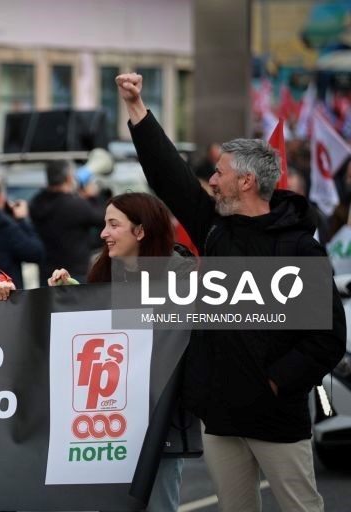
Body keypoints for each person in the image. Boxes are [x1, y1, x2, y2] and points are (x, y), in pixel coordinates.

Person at [116, 72, 345, 512]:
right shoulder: (217, 229)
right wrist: (137, 109)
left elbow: (327, 339)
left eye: (219, 173)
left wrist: (275, 382)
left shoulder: (299, 248)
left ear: (246, 182)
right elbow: (172, 179)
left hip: (276, 419)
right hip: (220, 418)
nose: (211, 181)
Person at [48, 192, 197, 512]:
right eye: (104, 224)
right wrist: (74, 299)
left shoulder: (181, 272)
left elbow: (168, 323)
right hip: (111, 413)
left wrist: (101, 307)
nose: (103, 233)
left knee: (159, 503)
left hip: (159, 414)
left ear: (140, 231)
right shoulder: (101, 269)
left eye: (113, 225)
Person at [30, 160, 104, 284]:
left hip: (47, 275)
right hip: (74, 275)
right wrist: (93, 198)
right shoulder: (75, 205)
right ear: (69, 178)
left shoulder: (37, 203)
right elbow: (104, 219)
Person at [0, 173, 44, 288]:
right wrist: (21, 220)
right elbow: (35, 253)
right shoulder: (5, 224)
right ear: (1, 197)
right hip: (7, 294)